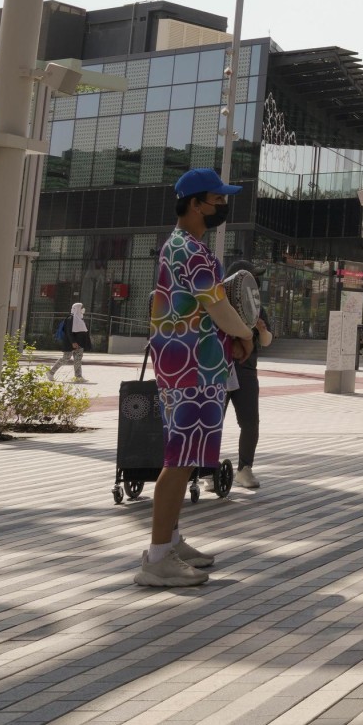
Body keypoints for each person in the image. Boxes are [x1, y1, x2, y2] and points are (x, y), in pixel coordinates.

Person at [134, 168, 253, 587]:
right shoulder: (192, 251)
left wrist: (234, 336)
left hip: (191, 362)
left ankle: (172, 539)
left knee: (184, 458)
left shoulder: (182, 245)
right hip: (190, 367)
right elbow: (218, 307)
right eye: (216, 199)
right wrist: (248, 333)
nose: (222, 205)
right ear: (195, 203)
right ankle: (157, 558)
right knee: (180, 459)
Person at [221, 261, 273, 490]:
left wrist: (261, 330)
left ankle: (245, 468)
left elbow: (267, 340)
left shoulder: (257, 307)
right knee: (213, 421)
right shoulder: (218, 304)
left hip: (246, 371)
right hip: (220, 369)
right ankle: (208, 469)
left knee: (250, 422)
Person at [49, 299, 93, 382]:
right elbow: (68, 332)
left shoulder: (80, 319)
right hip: (70, 343)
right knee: (65, 358)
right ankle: (51, 372)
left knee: (78, 360)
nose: (83, 309)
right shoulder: (70, 319)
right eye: (81, 308)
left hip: (80, 344)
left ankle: (78, 376)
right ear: (77, 309)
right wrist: (73, 342)